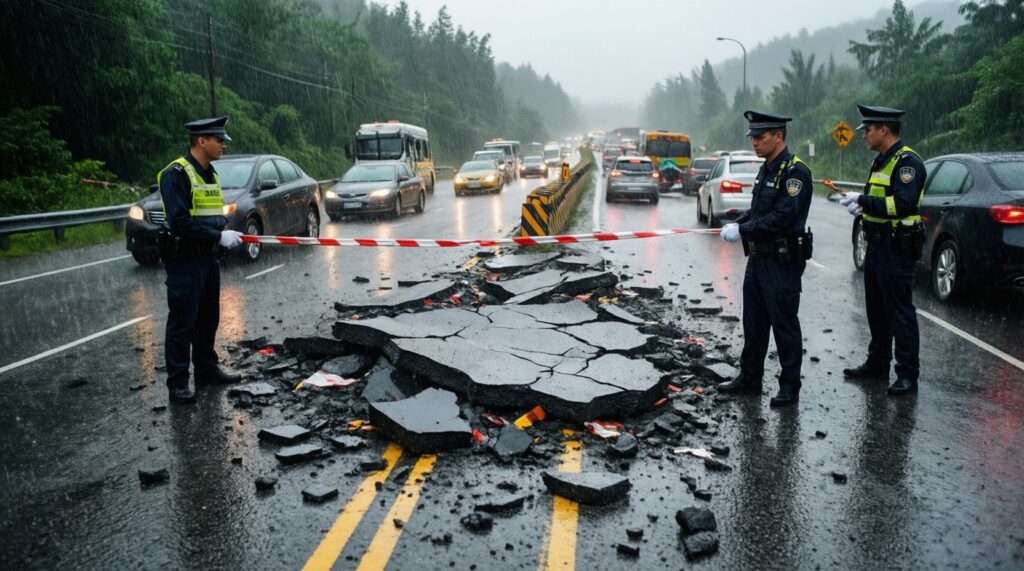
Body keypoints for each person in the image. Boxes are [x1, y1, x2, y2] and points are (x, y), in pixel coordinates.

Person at [717, 111, 814, 407]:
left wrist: (744, 229)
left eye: (760, 137)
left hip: (781, 263)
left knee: (784, 325)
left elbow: (783, 217)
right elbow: (760, 213)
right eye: (753, 137)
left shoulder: (794, 172)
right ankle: (750, 378)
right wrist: (739, 222)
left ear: (779, 136)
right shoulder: (767, 169)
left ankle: (789, 386)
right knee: (754, 323)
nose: (754, 143)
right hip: (757, 261)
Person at [838, 105, 927, 396]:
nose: (864, 136)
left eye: (869, 130)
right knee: (876, 310)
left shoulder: (907, 163)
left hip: (897, 248)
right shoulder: (881, 160)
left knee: (899, 312)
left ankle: (907, 375)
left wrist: (863, 200)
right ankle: (877, 364)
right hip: (876, 246)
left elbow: (901, 204)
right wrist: (862, 212)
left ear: (884, 130)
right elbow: (880, 201)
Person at [159, 116, 244, 404]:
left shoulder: (211, 173)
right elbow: (180, 222)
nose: (223, 145)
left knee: (208, 318)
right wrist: (217, 236)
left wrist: (222, 227)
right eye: (219, 140)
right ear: (201, 141)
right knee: (183, 321)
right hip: (185, 260)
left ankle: (206, 369)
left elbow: (208, 213)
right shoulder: (177, 174)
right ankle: (178, 383)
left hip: (208, 259)